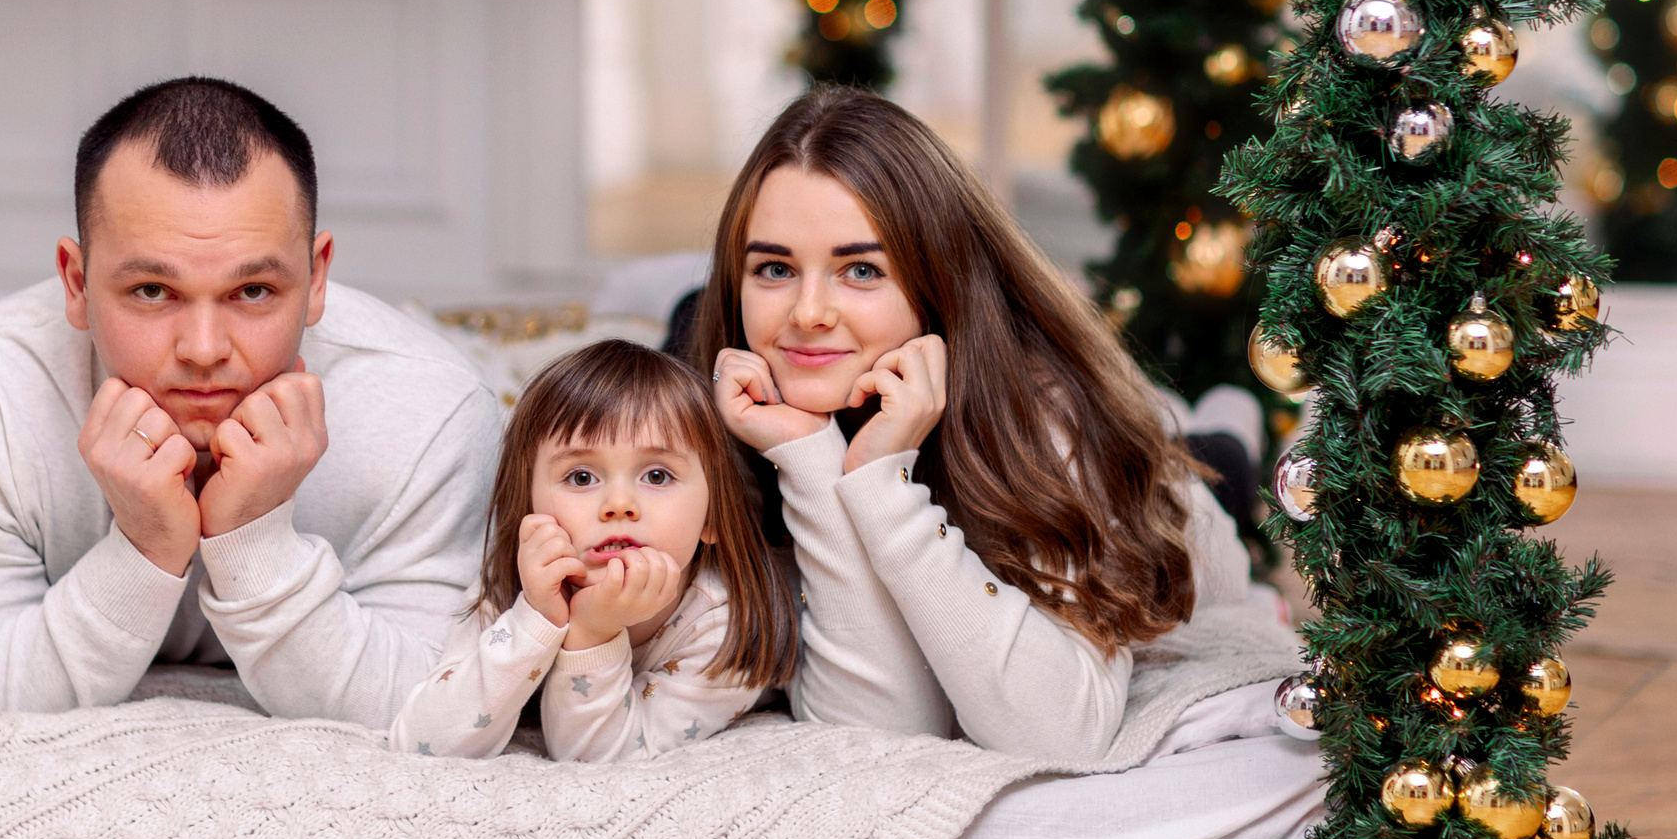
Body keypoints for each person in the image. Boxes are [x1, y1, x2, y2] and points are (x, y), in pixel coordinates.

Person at [0, 77, 501, 727]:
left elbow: (441, 712)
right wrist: (142, 548)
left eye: (252, 290)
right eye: (151, 290)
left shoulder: (434, 411)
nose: (203, 349)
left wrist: (255, 542)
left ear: (316, 280)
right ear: (77, 282)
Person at [694, 86, 1266, 765]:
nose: (809, 310)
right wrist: (813, 460)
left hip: (1178, 487)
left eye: (861, 269)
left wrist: (883, 486)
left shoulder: (1043, 417)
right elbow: (878, 733)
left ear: (936, 280)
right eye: (775, 267)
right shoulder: (725, 410)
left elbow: (1061, 734)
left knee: (1214, 464)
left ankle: (1233, 421)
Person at [388, 341, 795, 761]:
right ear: (529, 507)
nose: (619, 504)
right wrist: (536, 618)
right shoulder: (516, 581)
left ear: (712, 517)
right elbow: (425, 742)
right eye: (581, 478)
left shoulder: (722, 621)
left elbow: (594, 759)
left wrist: (593, 635)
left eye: (657, 475)